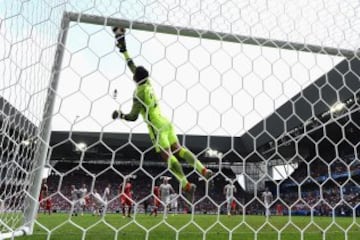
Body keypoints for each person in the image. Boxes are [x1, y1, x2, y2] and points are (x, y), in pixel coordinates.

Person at [111, 26, 213, 200]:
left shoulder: (138, 93)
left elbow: (133, 116)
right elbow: (134, 67)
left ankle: (185, 184)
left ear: (135, 78)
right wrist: (123, 47)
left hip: (156, 128)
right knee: (180, 149)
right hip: (166, 122)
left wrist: (120, 115)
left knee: (169, 157)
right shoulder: (148, 84)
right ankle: (203, 169)